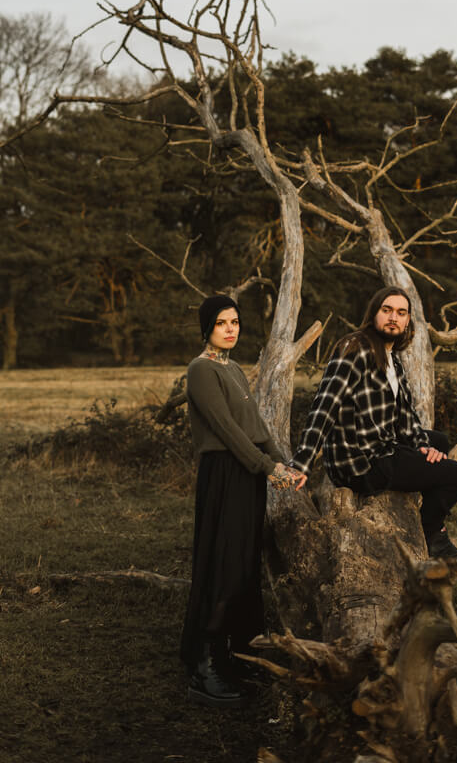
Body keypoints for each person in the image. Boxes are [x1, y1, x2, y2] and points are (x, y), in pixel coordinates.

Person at [180, 294, 304, 707]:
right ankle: (204, 661)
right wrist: (266, 468)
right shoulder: (200, 370)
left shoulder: (232, 367)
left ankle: (236, 651)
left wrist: (283, 463)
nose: (231, 329)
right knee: (223, 562)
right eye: (221, 323)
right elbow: (229, 431)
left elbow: (256, 426)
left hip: (247, 472)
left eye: (235, 321)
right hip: (224, 473)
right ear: (207, 328)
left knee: (244, 563)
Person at [289, 286, 457, 560]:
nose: (393, 318)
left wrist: (422, 447)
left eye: (401, 312)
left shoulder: (392, 359)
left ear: (408, 320)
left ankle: (424, 503)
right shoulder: (355, 349)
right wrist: (301, 463)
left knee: (438, 441)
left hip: (379, 444)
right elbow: (324, 406)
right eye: (387, 310)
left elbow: (405, 415)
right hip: (360, 462)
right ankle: (432, 534)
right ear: (374, 314)